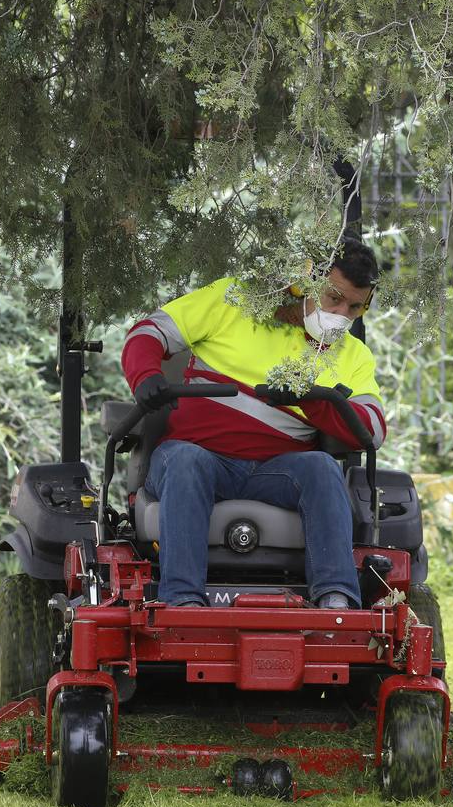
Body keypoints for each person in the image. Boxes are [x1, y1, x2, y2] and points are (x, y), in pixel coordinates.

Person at [121, 236, 385, 609]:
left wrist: (311, 401)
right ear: (305, 284)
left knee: (323, 468)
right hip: (197, 456)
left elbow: (372, 429)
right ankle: (183, 604)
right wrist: (146, 376)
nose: (341, 314)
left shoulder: (354, 356)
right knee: (186, 461)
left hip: (276, 471)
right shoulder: (235, 301)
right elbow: (148, 333)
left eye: (354, 307)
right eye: (333, 298)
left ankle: (336, 602)